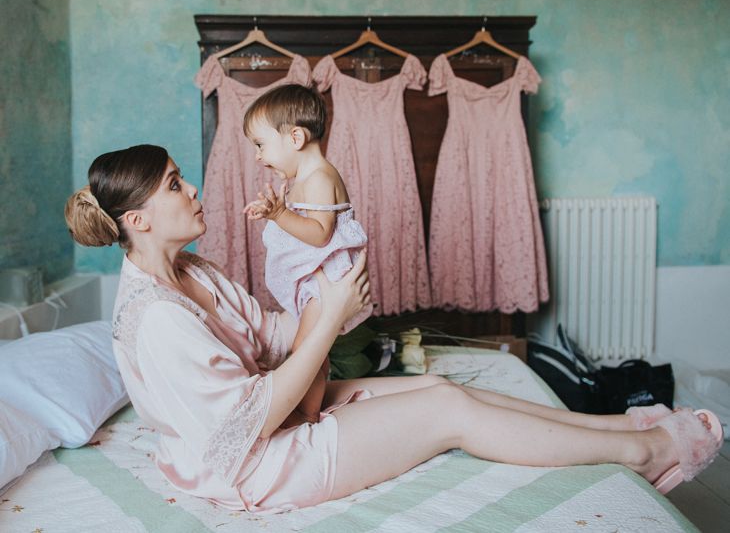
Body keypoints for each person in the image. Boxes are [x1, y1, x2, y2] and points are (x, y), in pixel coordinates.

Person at [65, 144, 723, 513]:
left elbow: (269, 332)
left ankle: (620, 427)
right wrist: (323, 329)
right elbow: (253, 418)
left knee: (440, 392)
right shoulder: (155, 319)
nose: (194, 192)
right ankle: (645, 452)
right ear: (139, 221)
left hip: (284, 416)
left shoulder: (194, 271)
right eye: (177, 186)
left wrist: (333, 303)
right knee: (448, 415)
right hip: (257, 466)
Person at [241, 84, 371, 426]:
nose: (258, 155)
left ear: (295, 138)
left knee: (305, 350)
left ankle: (306, 414)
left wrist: (279, 215)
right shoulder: (304, 177)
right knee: (313, 348)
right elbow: (302, 223)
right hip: (319, 278)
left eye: (260, 145)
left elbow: (320, 233)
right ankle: (310, 406)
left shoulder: (318, 177)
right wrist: (276, 209)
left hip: (327, 281)